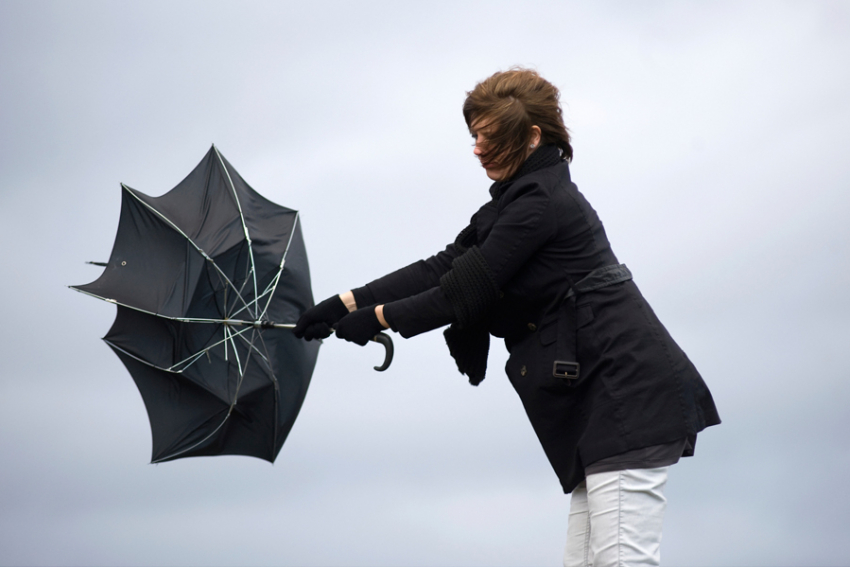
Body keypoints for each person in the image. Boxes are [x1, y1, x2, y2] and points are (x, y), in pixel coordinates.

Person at [293, 68, 720, 567]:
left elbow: (462, 292)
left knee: (623, 561)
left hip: (626, 398)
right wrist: (346, 303)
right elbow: (445, 265)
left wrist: (378, 319)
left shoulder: (541, 204)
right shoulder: (515, 203)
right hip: (599, 405)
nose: (477, 148)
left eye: (489, 136)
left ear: (533, 136)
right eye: (474, 136)